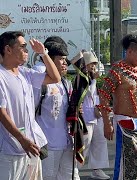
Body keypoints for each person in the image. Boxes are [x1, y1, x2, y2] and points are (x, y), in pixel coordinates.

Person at [98, 34, 137, 180]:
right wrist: (107, 124)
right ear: (130, 52)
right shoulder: (117, 70)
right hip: (125, 123)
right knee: (127, 164)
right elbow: (104, 95)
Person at [0, 31, 60, 179]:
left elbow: (55, 78)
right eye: (22, 46)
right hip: (10, 149)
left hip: (31, 146)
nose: (27, 50)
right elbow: (2, 113)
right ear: (8, 49)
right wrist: (21, 139)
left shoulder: (24, 73)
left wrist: (44, 54)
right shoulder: (1, 76)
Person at [33, 40, 81, 180]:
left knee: (71, 177)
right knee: (48, 177)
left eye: (65, 59)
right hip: (48, 145)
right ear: (49, 60)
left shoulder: (65, 82)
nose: (65, 63)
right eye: (61, 59)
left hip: (66, 143)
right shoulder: (39, 80)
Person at [78, 51, 110, 179]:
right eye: (91, 64)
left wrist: (99, 107)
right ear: (84, 64)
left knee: (100, 142)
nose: (94, 67)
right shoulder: (82, 77)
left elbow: (95, 95)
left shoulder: (92, 78)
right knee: (85, 144)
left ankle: (97, 169)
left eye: (94, 64)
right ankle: (75, 169)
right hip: (86, 116)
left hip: (96, 114)